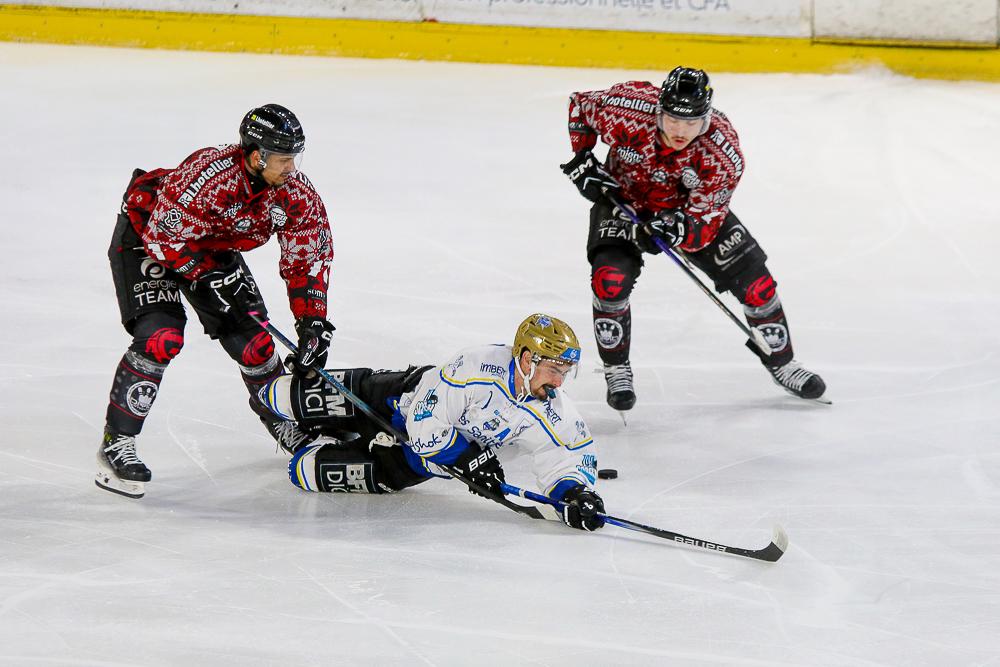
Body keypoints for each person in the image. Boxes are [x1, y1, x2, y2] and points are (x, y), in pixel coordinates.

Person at [98, 104, 335, 499]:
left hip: (210, 246)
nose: (291, 168)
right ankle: (116, 444)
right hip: (148, 238)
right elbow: (163, 237)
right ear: (256, 156)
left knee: (255, 343)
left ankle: (281, 420)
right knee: (160, 336)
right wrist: (206, 277)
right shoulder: (210, 175)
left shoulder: (295, 193)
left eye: (294, 157)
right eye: (283, 159)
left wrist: (312, 322)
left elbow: (308, 257)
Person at [559, 66, 827, 411]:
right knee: (609, 280)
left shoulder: (721, 151)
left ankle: (783, 363)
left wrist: (675, 228)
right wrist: (583, 158)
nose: (680, 131)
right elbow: (580, 104)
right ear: (659, 110)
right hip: (622, 198)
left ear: (706, 118)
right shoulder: (628, 107)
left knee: (757, 286)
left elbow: (706, 220)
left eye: (691, 123)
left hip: (686, 212)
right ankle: (616, 369)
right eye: (673, 120)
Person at [259, 313, 606, 532]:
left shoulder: (552, 406)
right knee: (279, 395)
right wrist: (468, 457)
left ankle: (317, 440)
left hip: (415, 463)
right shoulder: (476, 366)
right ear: (527, 359)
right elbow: (425, 427)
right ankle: (324, 424)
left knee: (303, 471)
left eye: (565, 372)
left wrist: (574, 494)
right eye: (554, 370)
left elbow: (566, 453)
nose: (559, 382)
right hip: (396, 400)